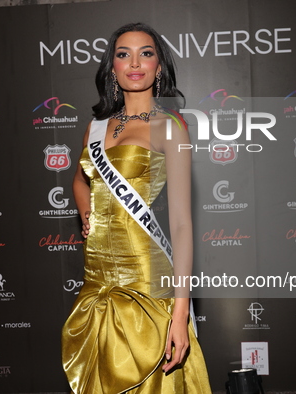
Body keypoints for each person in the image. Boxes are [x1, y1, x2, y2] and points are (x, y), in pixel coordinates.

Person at [61, 23, 211, 393]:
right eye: (123, 54)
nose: (135, 62)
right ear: (112, 67)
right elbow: (80, 180)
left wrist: (180, 313)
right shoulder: (95, 129)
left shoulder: (170, 127)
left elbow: (180, 225)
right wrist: (86, 212)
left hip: (146, 278)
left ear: (159, 66)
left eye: (146, 53)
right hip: (97, 277)